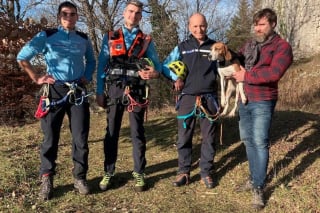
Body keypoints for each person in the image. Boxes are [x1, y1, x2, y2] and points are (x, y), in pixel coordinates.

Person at [17, 1, 96, 200]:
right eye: (65, 14)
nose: (69, 18)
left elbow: (92, 60)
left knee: (80, 137)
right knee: (50, 137)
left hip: (77, 90)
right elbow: (22, 57)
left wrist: (87, 75)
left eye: (73, 14)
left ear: (77, 17)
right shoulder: (47, 36)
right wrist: (36, 77)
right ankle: (47, 178)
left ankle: (79, 177)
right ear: (59, 16)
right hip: (54, 91)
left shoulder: (83, 38)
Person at [96, 0, 163, 192]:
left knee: (137, 133)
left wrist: (154, 73)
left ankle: (139, 172)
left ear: (141, 16)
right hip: (115, 89)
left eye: (137, 13)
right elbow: (102, 65)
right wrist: (100, 91)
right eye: (131, 11)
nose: (133, 15)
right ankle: (108, 171)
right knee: (111, 132)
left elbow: (157, 66)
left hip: (136, 90)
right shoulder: (110, 37)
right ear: (124, 13)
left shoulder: (147, 39)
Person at [232, 8, 293, 210]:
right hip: (244, 99)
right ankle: (253, 177)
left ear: (273, 24)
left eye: (262, 24)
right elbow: (238, 58)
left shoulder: (282, 47)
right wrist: (224, 52)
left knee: (260, 141)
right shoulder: (250, 44)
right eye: (256, 24)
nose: (258, 28)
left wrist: (246, 77)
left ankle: (259, 186)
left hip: (263, 100)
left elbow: (274, 73)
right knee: (248, 140)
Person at [162, 13, 220, 189]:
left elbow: (225, 67)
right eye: (195, 26)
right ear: (189, 27)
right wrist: (175, 78)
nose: (198, 29)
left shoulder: (215, 47)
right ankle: (183, 172)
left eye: (202, 26)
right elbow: (165, 66)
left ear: (207, 25)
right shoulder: (182, 47)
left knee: (209, 138)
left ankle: (206, 172)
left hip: (209, 98)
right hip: (186, 97)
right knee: (184, 137)